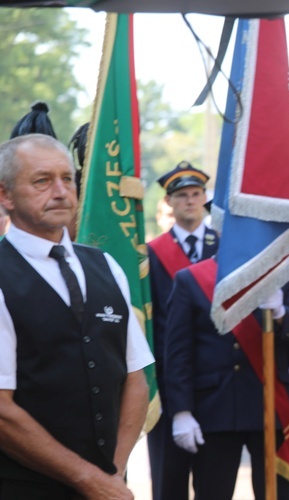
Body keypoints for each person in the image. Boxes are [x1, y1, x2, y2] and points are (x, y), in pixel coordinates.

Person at [0, 134, 154, 498]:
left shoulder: (106, 266)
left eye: (67, 179)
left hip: (108, 483)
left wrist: (111, 473)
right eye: (42, 181)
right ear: (4, 195)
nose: (60, 191)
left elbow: (136, 377)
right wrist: (88, 479)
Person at [164, 259, 289, 499]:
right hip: (215, 408)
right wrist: (182, 411)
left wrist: (281, 313)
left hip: (269, 405)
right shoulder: (191, 279)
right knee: (213, 493)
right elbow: (178, 353)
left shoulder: (279, 275)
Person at [146, 161, 219, 500]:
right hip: (168, 385)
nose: (190, 201)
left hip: (219, 383)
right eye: (181, 195)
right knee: (169, 484)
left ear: (205, 198)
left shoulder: (227, 249)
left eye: (196, 193)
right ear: (169, 203)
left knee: (214, 484)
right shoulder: (149, 254)